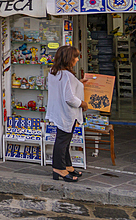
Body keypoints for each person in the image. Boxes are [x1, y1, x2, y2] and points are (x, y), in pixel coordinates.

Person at [45, 45, 88, 182]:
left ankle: (67, 165)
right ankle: (58, 168)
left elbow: (63, 89)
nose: (77, 59)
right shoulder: (67, 75)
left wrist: (78, 84)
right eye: (75, 56)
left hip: (58, 111)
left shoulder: (54, 73)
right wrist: (83, 103)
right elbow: (69, 98)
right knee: (63, 140)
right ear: (68, 58)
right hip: (67, 112)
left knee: (64, 139)